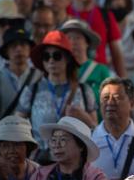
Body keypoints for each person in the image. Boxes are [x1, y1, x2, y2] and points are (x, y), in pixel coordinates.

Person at [17, 30, 97, 158]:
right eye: (46, 57)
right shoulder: (31, 91)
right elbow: (18, 128)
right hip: (41, 163)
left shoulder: (84, 91)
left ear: (67, 59)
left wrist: (84, 118)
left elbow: (96, 133)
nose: (51, 61)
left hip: (76, 163)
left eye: (57, 55)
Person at [0, 27, 40, 150]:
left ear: (29, 49)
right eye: (13, 45)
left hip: (33, 148)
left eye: (23, 44)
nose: (19, 49)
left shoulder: (40, 77)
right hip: (2, 146)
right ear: (6, 51)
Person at [66, 0, 127, 77]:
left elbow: (117, 53)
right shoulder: (64, 14)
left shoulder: (106, 15)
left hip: (99, 77)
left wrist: (124, 81)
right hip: (69, 75)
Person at [61, 17, 113, 107]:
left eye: (78, 38)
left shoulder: (101, 70)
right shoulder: (59, 69)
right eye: (69, 38)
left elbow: (109, 100)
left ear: (87, 42)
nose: (73, 42)